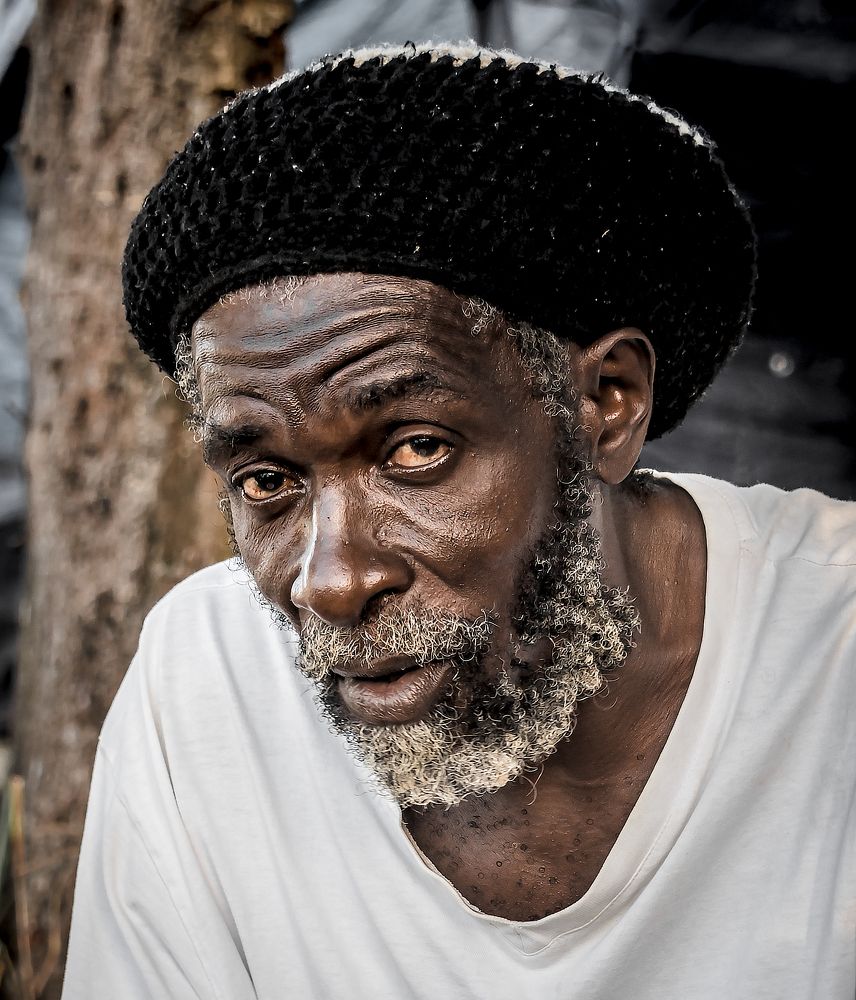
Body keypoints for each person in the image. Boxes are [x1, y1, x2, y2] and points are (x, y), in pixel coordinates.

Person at [61, 43, 855, 999]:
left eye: (416, 450)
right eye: (269, 480)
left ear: (606, 402)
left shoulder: (832, 654)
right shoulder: (209, 679)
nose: (332, 580)